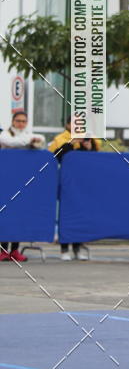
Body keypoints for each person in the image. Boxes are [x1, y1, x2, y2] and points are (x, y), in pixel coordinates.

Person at [48, 115, 100, 260]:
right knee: (65, 215)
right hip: (65, 182)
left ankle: (77, 248)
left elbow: (94, 160)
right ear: (68, 125)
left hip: (83, 183)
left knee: (80, 215)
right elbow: (56, 157)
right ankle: (64, 249)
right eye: (75, 123)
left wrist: (88, 147)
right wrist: (72, 142)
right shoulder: (60, 139)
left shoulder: (90, 139)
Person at [0, 110, 46, 263]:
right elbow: (10, 142)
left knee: (18, 214)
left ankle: (14, 250)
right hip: (6, 181)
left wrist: (31, 140)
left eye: (23, 121)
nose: (21, 123)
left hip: (21, 181)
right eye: (18, 121)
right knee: (5, 215)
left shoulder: (26, 135)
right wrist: (29, 141)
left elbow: (41, 140)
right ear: (13, 122)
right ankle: (3, 250)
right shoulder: (6, 134)